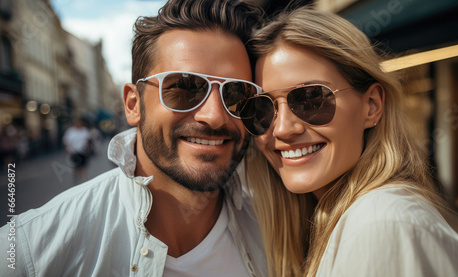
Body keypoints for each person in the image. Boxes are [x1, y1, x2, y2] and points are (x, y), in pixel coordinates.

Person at [0, 0, 267, 276]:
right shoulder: (29, 251)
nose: (214, 116)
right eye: (184, 88)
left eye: (237, 94)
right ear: (133, 104)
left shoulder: (273, 231)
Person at [239, 7, 458, 277]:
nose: (282, 128)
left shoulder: (384, 225)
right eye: (261, 109)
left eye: (310, 99)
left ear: (372, 106)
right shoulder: (333, 221)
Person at [63, 119, 92, 184]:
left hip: (83, 151)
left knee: (83, 166)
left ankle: (84, 181)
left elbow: (88, 140)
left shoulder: (84, 130)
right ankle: (77, 181)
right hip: (74, 152)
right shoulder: (70, 131)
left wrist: (87, 146)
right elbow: (66, 142)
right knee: (76, 168)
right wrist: (69, 149)